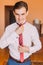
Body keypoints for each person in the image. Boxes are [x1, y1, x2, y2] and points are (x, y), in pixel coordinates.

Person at [0, 1, 42, 65]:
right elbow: (1, 45)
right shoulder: (9, 28)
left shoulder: (32, 29)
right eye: (17, 14)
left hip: (27, 62)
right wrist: (15, 33)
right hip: (12, 62)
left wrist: (28, 49)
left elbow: (39, 45)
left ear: (27, 13)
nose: (20, 18)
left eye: (22, 14)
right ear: (14, 13)